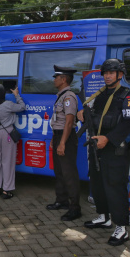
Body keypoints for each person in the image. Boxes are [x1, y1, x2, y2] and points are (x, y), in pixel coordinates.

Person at [78, 58, 130, 246]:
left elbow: (128, 123)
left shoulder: (127, 96)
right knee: (97, 184)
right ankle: (104, 217)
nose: (108, 76)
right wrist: (82, 116)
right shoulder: (100, 95)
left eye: (111, 73)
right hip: (97, 146)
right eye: (105, 73)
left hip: (114, 149)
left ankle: (121, 228)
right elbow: (94, 118)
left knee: (115, 186)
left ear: (120, 74)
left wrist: (108, 139)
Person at [46, 65, 82, 222]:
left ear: (64, 79)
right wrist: (55, 139)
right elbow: (58, 122)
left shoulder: (69, 97)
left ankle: (75, 209)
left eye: (56, 77)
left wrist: (62, 143)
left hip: (66, 138)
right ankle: (62, 201)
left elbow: (68, 123)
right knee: (59, 172)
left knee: (69, 174)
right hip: (59, 136)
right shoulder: (60, 96)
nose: (54, 80)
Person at [0, 84, 25, 199]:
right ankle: (7, 190)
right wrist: (17, 95)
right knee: (7, 161)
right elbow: (22, 107)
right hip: (7, 133)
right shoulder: (8, 104)